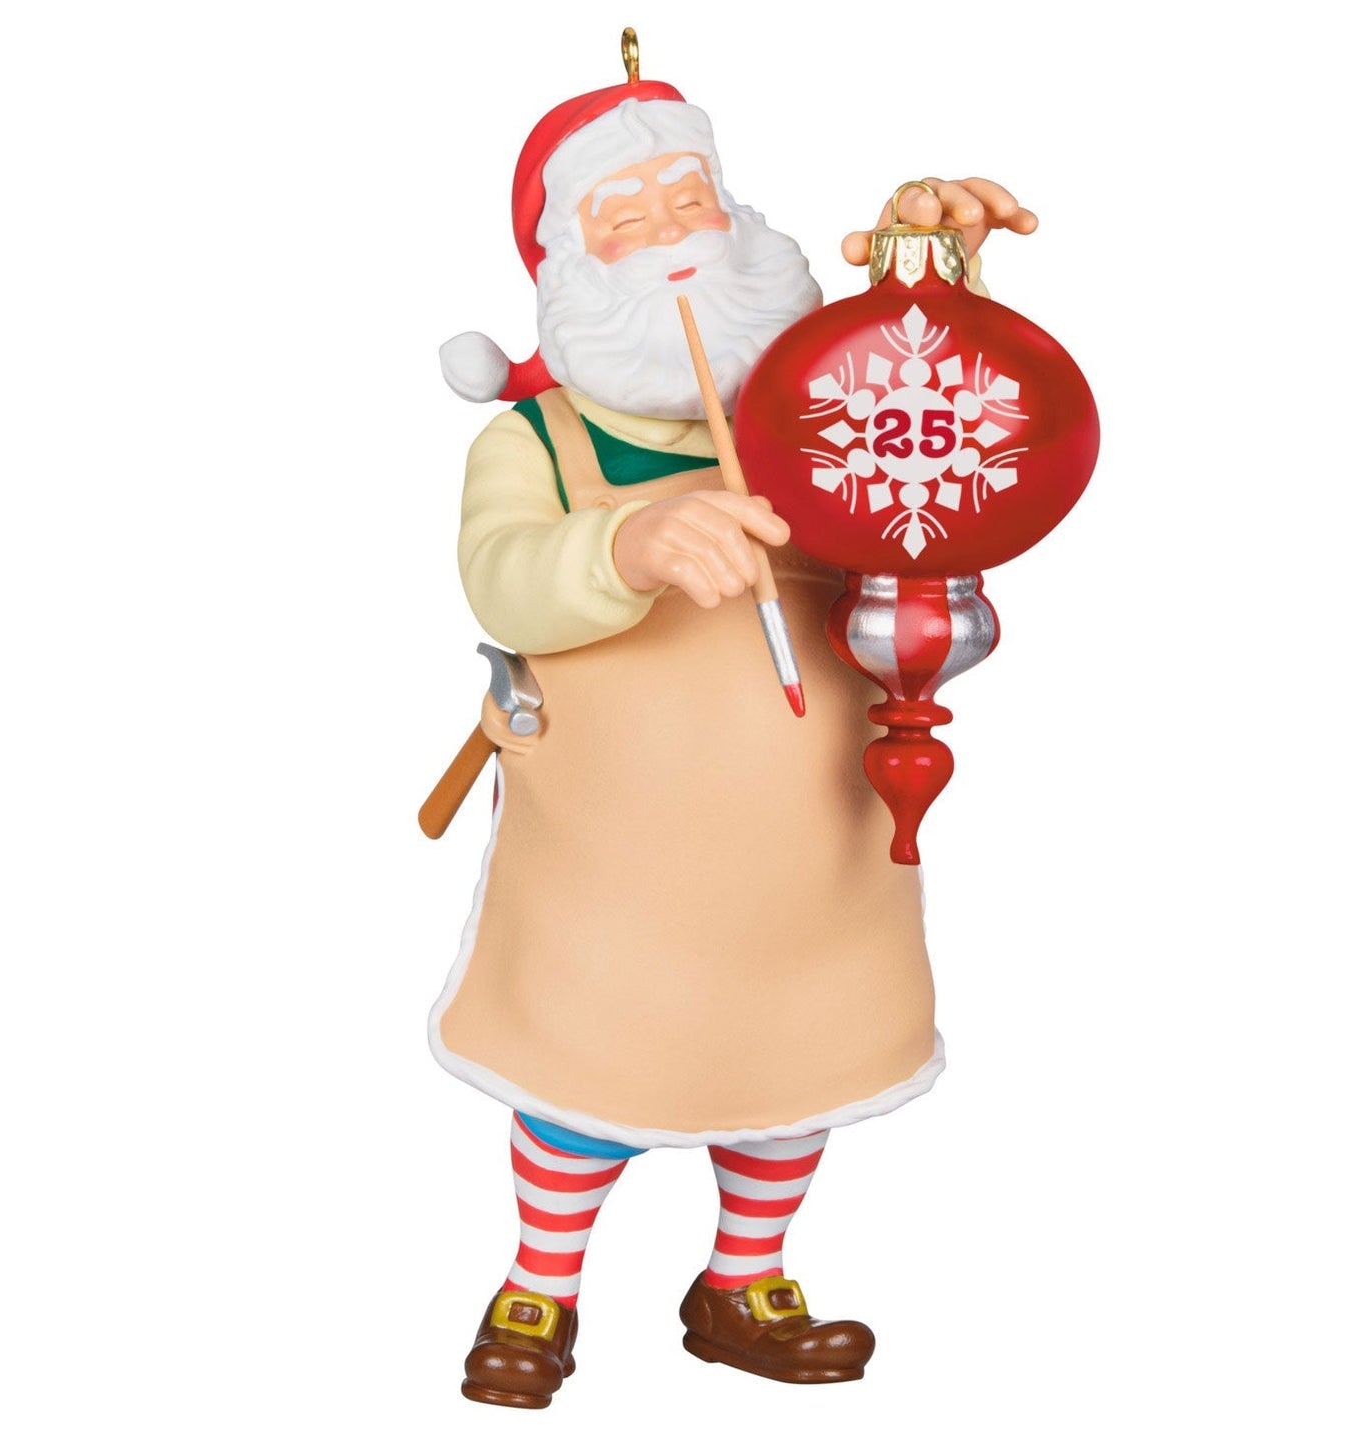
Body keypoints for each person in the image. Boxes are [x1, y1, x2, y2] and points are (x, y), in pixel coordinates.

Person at [429, 39, 1036, 1410]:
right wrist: (627, 544)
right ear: (565, 265)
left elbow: (938, 416)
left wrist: (933, 273)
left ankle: (742, 1282)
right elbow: (500, 575)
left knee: (797, 1056)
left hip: (819, 832)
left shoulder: (818, 410)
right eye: (624, 218)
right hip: (612, 854)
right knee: (587, 1063)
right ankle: (539, 1284)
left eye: (686, 199)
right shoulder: (535, 442)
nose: (670, 239)